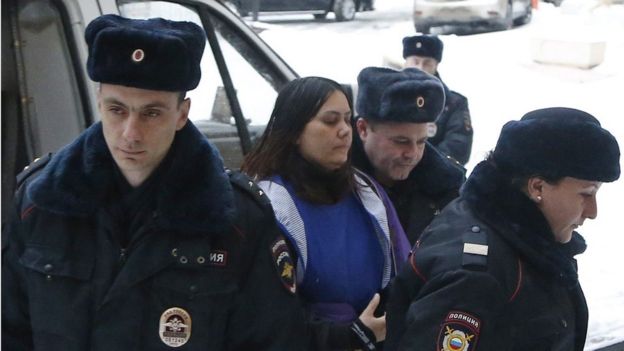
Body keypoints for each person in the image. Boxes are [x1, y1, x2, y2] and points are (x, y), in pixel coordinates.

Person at [1, 14, 306, 350]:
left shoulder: (236, 223)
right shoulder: (40, 206)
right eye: (117, 110)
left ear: (181, 113)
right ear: (99, 102)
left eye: (151, 113)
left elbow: (274, 340)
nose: (131, 134)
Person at [385, 107, 621, 351]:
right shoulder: (478, 276)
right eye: (586, 194)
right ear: (537, 187)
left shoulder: (521, 239)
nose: (592, 211)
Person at [241, 76, 411, 351]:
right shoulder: (269, 204)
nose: (345, 131)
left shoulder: (367, 193)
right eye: (330, 121)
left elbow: (403, 274)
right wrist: (348, 335)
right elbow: (266, 317)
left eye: (347, 119)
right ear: (295, 132)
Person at [352, 66, 465, 245]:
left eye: (421, 142)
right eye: (401, 141)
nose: (412, 154)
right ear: (363, 129)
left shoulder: (445, 190)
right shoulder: (329, 184)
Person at [402, 35, 473, 165]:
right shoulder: (385, 97)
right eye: (415, 62)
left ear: (436, 66)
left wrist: (420, 164)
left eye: (427, 63)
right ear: (405, 62)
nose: (420, 69)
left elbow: (459, 146)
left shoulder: (454, 103)